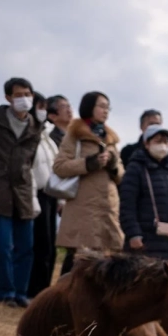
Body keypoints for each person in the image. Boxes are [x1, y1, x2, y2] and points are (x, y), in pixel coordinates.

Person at [0, 77, 41, 307]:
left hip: (23, 191)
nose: (23, 99)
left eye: (27, 94)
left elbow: (31, 158)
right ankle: (5, 292)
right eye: (18, 95)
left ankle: (20, 292)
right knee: (3, 246)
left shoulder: (36, 125)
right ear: (8, 98)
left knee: (26, 247)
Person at [54, 91, 124, 276]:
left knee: (102, 261)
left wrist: (113, 165)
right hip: (82, 206)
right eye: (101, 106)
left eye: (108, 107)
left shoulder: (110, 138)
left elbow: (121, 175)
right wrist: (89, 163)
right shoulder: (74, 135)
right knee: (78, 260)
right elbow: (60, 166)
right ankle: (63, 300)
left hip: (107, 205)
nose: (105, 111)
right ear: (88, 107)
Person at [118, 123, 168, 260]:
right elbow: (127, 206)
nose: (162, 145)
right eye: (158, 141)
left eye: (166, 141)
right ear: (147, 144)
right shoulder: (135, 169)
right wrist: (133, 233)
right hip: (145, 244)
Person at [28, 92, 59, 297]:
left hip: (50, 194)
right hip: (34, 193)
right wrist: (31, 198)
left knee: (49, 247)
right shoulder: (28, 134)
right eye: (39, 106)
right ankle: (33, 290)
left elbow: (55, 166)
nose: (43, 110)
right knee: (39, 245)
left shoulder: (46, 134)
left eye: (44, 106)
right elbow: (28, 167)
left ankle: (43, 290)